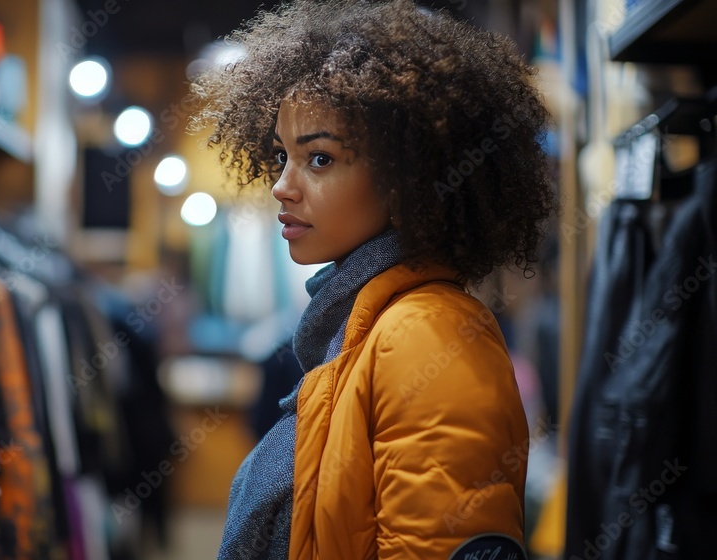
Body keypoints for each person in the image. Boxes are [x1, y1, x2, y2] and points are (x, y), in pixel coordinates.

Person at [190, 0, 556, 558]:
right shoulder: (359, 326)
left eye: (319, 159)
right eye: (282, 155)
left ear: (409, 177)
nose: (281, 186)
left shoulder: (427, 336)